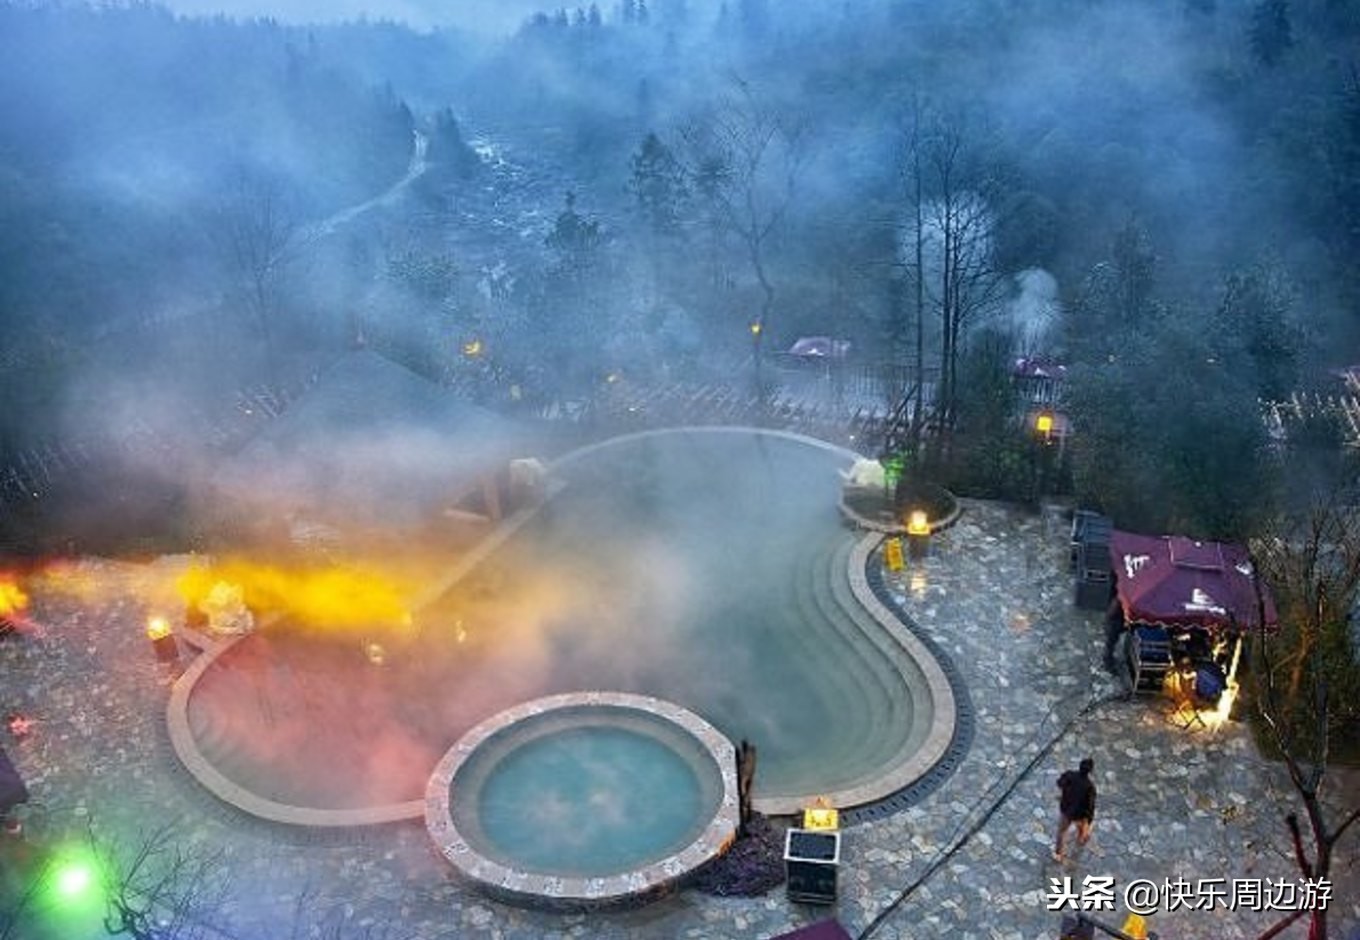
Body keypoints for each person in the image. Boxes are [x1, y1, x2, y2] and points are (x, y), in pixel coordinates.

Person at [1053, 757, 1096, 862]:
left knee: (1062, 832)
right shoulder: (1090, 787)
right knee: (1082, 827)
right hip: (1080, 814)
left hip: (1066, 810)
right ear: (1090, 771)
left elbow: (1059, 783)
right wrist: (1090, 818)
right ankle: (1081, 839)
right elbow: (1090, 805)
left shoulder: (1069, 775)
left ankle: (1059, 854)